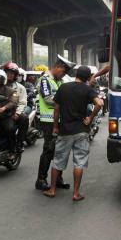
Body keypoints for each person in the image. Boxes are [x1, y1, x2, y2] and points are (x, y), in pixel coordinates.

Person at [43, 66, 103, 201]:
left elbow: (56, 110)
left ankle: (52, 190)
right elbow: (99, 103)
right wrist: (90, 118)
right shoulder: (88, 89)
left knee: (58, 161)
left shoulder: (63, 88)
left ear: (76, 74)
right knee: (79, 162)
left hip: (64, 131)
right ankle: (75, 194)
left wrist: (55, 127)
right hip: (81, 130)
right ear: (88, 78)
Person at [35, 55, 75, 191]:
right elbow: (47, 99)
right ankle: (41, 180)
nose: (63, 75)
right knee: (49, 150)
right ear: (58, 67)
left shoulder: (60, 82)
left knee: (62, 151)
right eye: (63, 71)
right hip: (49, 120)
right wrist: (66, 103)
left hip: (61, 120)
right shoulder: (44, 80)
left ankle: (58, 178)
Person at [3, 62, 28, 153]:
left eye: (12, 73)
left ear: (15, 75)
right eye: (7, 72)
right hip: (0, 112)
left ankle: (19, 143)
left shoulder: (21, 88)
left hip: (13, 112)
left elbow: (22, 103)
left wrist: (17, 113)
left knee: (24, 118)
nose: (9, 75)